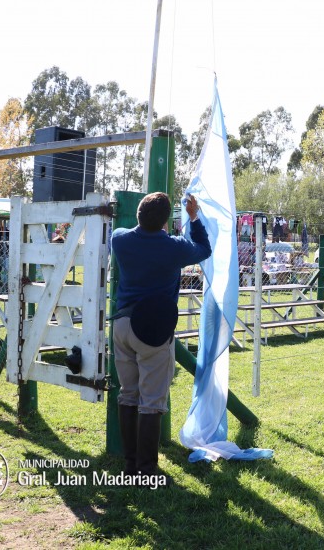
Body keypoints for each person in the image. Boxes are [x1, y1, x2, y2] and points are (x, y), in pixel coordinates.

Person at [111, 192, 211, 478]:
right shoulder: (174, 248)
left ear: (139, 215)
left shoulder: (120, 238)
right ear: (167, 221)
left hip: (121, 326)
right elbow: (203, 248)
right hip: (152, 329)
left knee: (128, 395)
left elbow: (122, 230)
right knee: (151, 401)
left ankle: (130, 465)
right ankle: (146, 470)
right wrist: (193, 217)